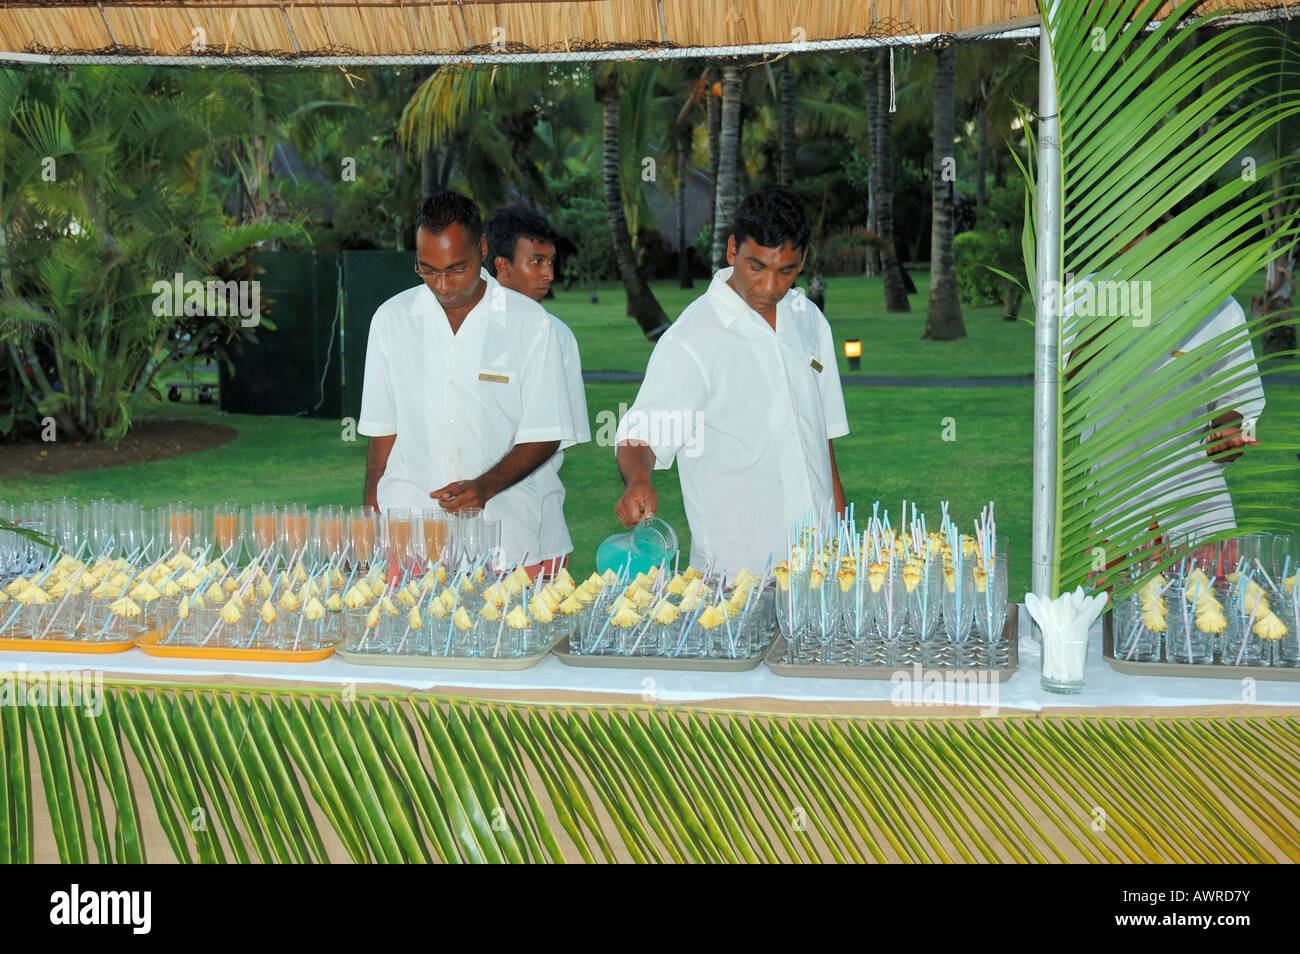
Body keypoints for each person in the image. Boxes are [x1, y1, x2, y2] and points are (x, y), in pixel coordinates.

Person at [613, 187, 849, 576]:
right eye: (756, 266)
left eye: (785, 270)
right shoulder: (692, 339)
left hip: (820, 569)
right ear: (732, 251)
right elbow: (641, 435)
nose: (770, 287)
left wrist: (842, 543)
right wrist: (638, 480)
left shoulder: (808, 319)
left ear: (803, 260)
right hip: (737, 578)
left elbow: (821, 444)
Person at [357, 191, 581, 574]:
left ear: (481, 249)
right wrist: (369, 518)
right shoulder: (391, 319)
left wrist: (484, 487)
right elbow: (382, 433)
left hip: (507, 535)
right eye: (428, 269)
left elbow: (547, 433)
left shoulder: (531, 325)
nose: (442, 284)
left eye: (455, 269)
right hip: (410, 536)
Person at [1065, 218, 1265, 554]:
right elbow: (1069, 369)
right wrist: (1123, 290)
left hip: (1197, 508)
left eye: (1158, 225)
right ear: (1116, 235)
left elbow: (1237, 402)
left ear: (1181, 230)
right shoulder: (1086, 294)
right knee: (1117, 607)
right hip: (1114, 513)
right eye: (1135, 227)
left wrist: (1229, 436)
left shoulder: (1218, 306)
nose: (1148, 239)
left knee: (1213, 606)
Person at [484, 206, 591, 578]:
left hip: (543, 526)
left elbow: (557, 437)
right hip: (474, 531)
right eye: (537, 261)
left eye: (551, 262)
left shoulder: (557, 334)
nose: (549, 273)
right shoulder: (465, 330)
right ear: (502, 265)